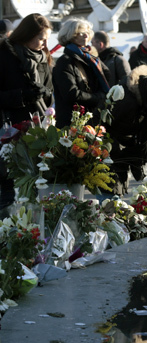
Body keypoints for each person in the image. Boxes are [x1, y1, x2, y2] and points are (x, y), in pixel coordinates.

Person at [0, 13, 53, 213]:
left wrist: (45, 93)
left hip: (39, 128)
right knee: (11, 188)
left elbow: (49, 89)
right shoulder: (5, 54)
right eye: (41, 38)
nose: (44, 42)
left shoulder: (44, 55)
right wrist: (23, 95)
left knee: (38, 183)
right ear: (27, 34)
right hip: (11, 130)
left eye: (46, 38)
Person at [52, 18, 110, 128]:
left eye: (87, 33)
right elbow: (71, 93)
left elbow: (107, 75)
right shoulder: (64, 61)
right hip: (71, 124)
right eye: (81, 33)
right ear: (71, 35)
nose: (86, 36)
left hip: (90, 120)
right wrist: (99, 97)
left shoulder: (89, 58)